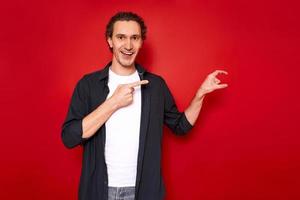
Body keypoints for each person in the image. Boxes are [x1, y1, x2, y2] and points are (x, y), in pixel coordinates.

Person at [61, 11, 228, 200]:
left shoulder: (155, 86)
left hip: (145, 192)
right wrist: (114, 102)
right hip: (98, 192)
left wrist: (200, 95)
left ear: (141, 42)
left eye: (135, 38)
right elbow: (69, 137)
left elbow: (181, 126)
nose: (128, 45)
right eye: (121, 37)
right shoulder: (88, 85)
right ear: (110, 41)